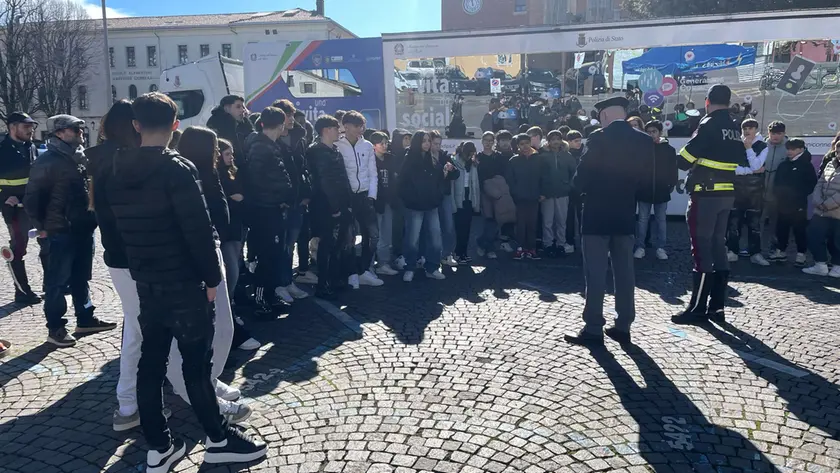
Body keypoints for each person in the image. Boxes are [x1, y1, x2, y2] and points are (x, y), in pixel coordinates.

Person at [106, 93, 267, 471]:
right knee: (196, 365)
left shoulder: (114, 167)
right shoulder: (177, 168)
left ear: (136, 124)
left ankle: (159, 445)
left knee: (151, 361)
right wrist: (212, 279)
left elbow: (118, 228)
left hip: (146, 277)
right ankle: (218, 438)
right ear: (175, 125)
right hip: (182, 280)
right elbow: (197, 231)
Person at [564, 96, 652, 347]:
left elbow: (581, 177)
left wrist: (579, 190)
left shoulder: (598, 138)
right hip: (625, 213)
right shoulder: (644, 140)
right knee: (625, 272)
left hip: (597, 214)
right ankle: (623, 325)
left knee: (595, 273)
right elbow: (645, 180)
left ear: (603, 116)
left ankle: (593, 327)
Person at [24, 115, 115, 347]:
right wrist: (41, 227)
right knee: (57, 281)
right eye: (75, 129)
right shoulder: (47, 162)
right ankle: (55, 327)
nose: (81, 132)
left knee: (81, 276)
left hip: (82, 227)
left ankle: (85, 318)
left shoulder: (79, 157)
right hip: (60, 230)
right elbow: (32, 198)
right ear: (59, 133)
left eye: (81, 129)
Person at [671, 85, 745, 326]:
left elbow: (684, 160)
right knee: (718, 247)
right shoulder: (734, 126)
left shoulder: (708, 123)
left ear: (707, 102)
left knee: (701, 250)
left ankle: (697, 308)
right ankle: (717, 306)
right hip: (727, 195)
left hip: (705, 196)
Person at [244, 107, 295, 316]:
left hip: (273, 208)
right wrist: (279, 199)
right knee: (266, 257)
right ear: (281, 124)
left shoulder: (268, 145)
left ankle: (270, 296)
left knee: (274, 255)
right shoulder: (260, 147)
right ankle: (260, 300)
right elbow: (258, 183)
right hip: (265, 211)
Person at [214, 139, 259, 351]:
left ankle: (231, 309)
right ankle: (228, 313)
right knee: (230, 272)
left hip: (237, 228)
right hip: (226, 233)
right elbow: (230, 198)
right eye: (226, 154)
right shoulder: (216, 176)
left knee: (235, 268)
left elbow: (243, 195)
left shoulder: (234, 172)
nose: (231, 157)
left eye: (231, 153)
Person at [0, 112, 46, 304]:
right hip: (15, 208)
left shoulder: (31, 147)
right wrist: (4, 197)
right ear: (12, 127)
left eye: (32, 126)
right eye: (26, 126)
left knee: (48, 242)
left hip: (36, 204)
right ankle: (22, 291)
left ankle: (51, 284)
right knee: (18, 248)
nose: (31, 129)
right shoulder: (2, 150)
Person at [306, 115, 353, 299]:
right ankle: (323, 282)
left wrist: (347, 204)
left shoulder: (334, 150)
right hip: (325, 206)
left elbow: (342, 179)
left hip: (339, 204)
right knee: (326, 244)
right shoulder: (317, 152)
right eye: (336, 128)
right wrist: (335, 208)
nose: (339, 131)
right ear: (326, 130)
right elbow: (325, 182)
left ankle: (334, 279)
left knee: (337, 244)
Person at [399, 131, 455, 281]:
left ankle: (433, 267)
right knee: (412, 239)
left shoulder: (433, 161)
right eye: (424, 141)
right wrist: (410, 199)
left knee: (435, 237)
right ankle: (410, 267)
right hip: (414, 206)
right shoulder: (409, 160)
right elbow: (402, 184)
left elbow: (440, 181)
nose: (427, 144)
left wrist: (437, 195)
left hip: (431, 205)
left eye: (428, 141)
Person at [336, 111, 383, 289]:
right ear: (346, 126)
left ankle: (363, 270)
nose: (360, 129)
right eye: (356, 126)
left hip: (365, 196)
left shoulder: (367, 145)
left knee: (372, 236)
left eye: (362, 126)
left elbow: (373, 173)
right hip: (347, 198)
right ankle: (351, 273)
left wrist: (372, 196)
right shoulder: (337, 145)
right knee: (347, 238)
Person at [271, 99, 312, 303]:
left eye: (292, 115)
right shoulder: (271, 139)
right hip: (281, 201)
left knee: (291, 244)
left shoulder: (299, 137)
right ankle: (280, 283)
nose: (291, 119)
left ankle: (287, 282)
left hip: (298, 200)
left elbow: (303, 167)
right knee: (281, 246)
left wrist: (306, 195)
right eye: (288, 115)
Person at [726, 119, 770, 266]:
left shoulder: (763, 146)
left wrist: (749, 148)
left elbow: (757, 164)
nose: (747, 130)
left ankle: (755, 253)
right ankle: (732, 251)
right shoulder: (735, 144)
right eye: (744, 128)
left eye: (750, 128)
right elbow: (732, 167)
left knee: (754, 224)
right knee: (733, 222)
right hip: (736, 188)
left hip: (755, 190)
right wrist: (749, 170)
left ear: (756, 129)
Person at [768, 139, 817, 266]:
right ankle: (781, 250)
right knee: (782, 228)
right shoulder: (784, 164)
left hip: (798, 204)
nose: (789, 152)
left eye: (793, 149)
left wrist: (798, 195)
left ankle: (801, 254)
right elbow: (777, 182)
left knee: (799, 229)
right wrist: (778, 195)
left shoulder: (806, 165)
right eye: (788, 149)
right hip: (783, 203)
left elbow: (811, 184)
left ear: (801, 149)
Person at [635, 120, 678, 261]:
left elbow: (673, 169)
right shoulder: (641, 149)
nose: (651, 134)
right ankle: (640, 247)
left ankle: (661, 248)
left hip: (661, 190)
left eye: (654, 131)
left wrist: (671, 184)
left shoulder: (669, 149)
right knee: (642, 220)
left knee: (661, 220)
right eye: (649, 132)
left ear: (660, 132)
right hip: (644, 190)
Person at [803, 137, 840, 277]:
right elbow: (820, 182)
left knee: (837, 240)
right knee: (814, 235)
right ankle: (820, 264)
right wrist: (818, 200)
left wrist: (828, 204)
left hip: (837, 212)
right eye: (837, 152)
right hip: (821, 210)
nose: (839, 155)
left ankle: (838, 266)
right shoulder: (830, 163)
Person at [539, 130, 577, 257]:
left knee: (562, 220)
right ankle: (548, 243)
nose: (555, 141)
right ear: (548, 141)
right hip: (547, 194)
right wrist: (542, 191)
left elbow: (574, 174)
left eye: (558, 139)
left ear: (561, 140)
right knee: (547, 221)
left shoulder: (567, 156)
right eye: (553, 139)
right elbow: (539, 176)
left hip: (563, 193)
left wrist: (568, 187)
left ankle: (561, 243)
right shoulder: (543, 156)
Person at [507, 134, 542, 260]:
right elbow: (510, 180)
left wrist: (542, 193)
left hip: (534, 197)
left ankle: (532, 248)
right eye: (522, 144)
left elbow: (543, 177)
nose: (525, 146)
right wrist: (515, 193)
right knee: (520, 225)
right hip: (520, 198)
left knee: (532, 224)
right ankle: (520, 248)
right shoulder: (514, 161)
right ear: (518, 146)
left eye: (527, 143)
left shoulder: (538, 159)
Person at [370, 132, 400, 276]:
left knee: (386, 234)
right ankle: (369, 265)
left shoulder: (390, 159)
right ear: (374, 145)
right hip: (375, 201)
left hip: (388, 201)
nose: (384, 145)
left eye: (386, 142)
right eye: (381, 143)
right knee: (373, 235)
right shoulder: (370, 159)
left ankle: (383, 263)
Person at [430, 130, 458, 267]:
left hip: (444, 195)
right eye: (435, 143)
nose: (437, 146)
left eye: (439, 144)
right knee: (432, 228)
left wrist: (451, 169)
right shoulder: (423, 156)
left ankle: (447, 254)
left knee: (448, 225)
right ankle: (432, 255)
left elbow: (456, 173)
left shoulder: (444, 155)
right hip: (429, 196)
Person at [451, 141, 480, 264]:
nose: (469, 156)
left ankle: (464, 252)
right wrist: (452, 202)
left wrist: (476, 202)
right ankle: (457, 252)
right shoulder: (454, 162)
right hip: (459, 197)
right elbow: (451, 185)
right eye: (468, 153)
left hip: (469, 197)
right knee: (458, 228)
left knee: (467, 228)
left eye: (472, 154)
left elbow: (476, 184)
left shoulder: (473, 164)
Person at [761, 121, 788, 251]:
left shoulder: (789, 147)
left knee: (776, 222)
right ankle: (756, 248)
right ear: (768, 133)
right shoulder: (761, 146)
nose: (775, 136)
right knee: (758, 221)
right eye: (773, 133)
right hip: (760, 191)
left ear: (784, 133)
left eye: (779, 133)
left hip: (778, 194)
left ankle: (775, 247)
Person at [206, 95, 253, 165]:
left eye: (243, 107)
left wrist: (246, 121)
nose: (242, 110)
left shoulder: (241, 122)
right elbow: (237, 150)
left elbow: (251, 135)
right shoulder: (224, 123)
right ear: (227, 108)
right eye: (238, 107)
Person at [475, 132, 500, 259]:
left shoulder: (498, 156)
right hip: (483, 192)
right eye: (486, 140)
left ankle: (483, 243)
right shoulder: (478, 157)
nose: (488, 143)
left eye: (491, 140)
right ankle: (489, 247)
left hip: (497, 192)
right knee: (488, 219)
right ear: (482, 141)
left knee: (495, 220)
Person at [564, 130, 585, 252]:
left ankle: (584, 242)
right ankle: (569, 241)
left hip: (582, 191)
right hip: (569, 191)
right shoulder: (566, 155)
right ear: (569, 142)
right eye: (575, 141)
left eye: (579, 140)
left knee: (583, 218)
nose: (578, 143)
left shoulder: (585, 153)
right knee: (569, 218)